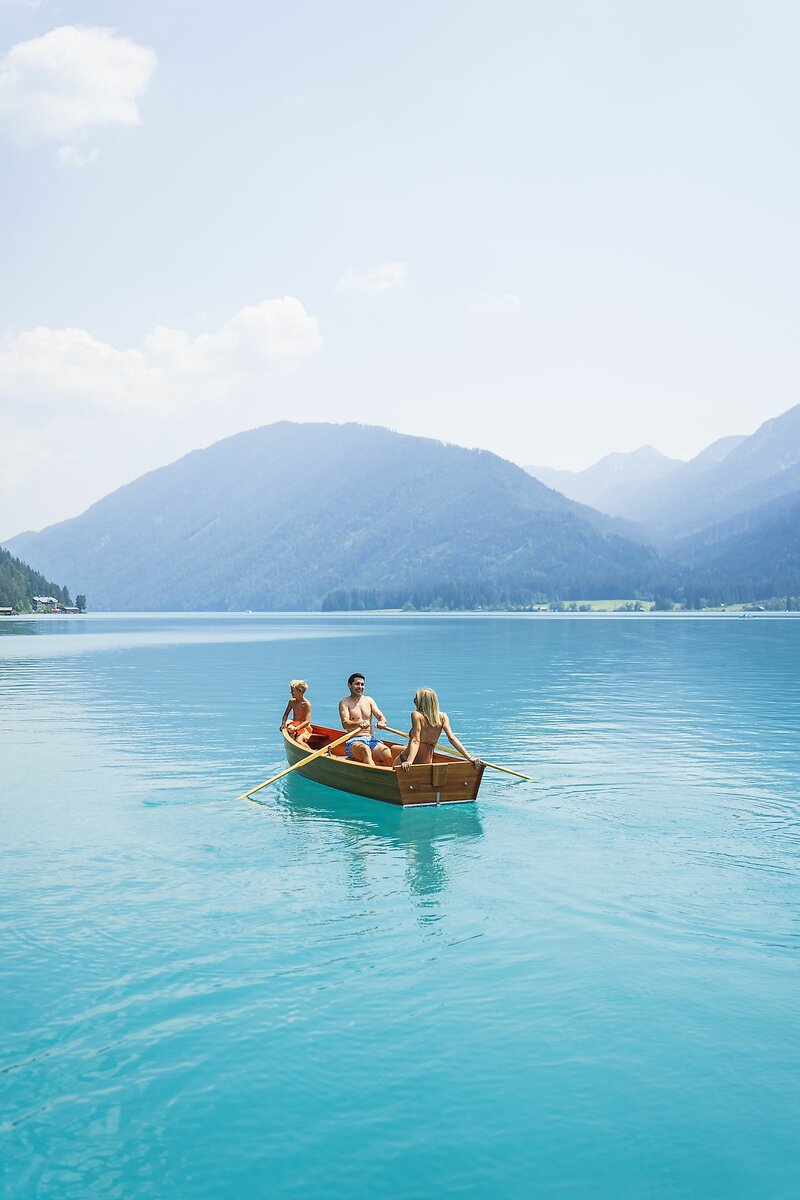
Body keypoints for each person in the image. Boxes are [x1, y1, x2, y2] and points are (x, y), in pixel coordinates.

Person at [395, 687, 480, 772]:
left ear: (422, 702)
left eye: (416, 700)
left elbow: (416, 740)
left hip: (406, 761)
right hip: (426, 763)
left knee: (394, 749)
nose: (415, 703)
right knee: (394, 748)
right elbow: (452, 738)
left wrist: (409, 762)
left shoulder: (416, 715)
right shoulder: (443, 717)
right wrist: (470, 757)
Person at [338, 672, 393, 766]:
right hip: (354, 741)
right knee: (365, 749)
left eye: (362, 684)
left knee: (387, 753)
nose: (360, 687)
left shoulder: (369, 700)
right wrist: (357, 723)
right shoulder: (344, 702)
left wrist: (382, 722)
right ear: (349, 685)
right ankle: (374, 775)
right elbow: (345, 723)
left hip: (371, 739)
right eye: (357, 684)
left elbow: (381, 717)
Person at [280, 679, 312, 746]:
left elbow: (307, 721)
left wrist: (297, 728)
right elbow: (286, 714)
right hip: (295, 723)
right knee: (290, 729)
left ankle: (313, 752)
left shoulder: (306, 704)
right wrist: (283, 723)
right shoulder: (292, 702)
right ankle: (293, 747)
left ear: (299, 691)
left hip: (304, 726)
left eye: (292, 690)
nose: (291, 692)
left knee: (299, 741)